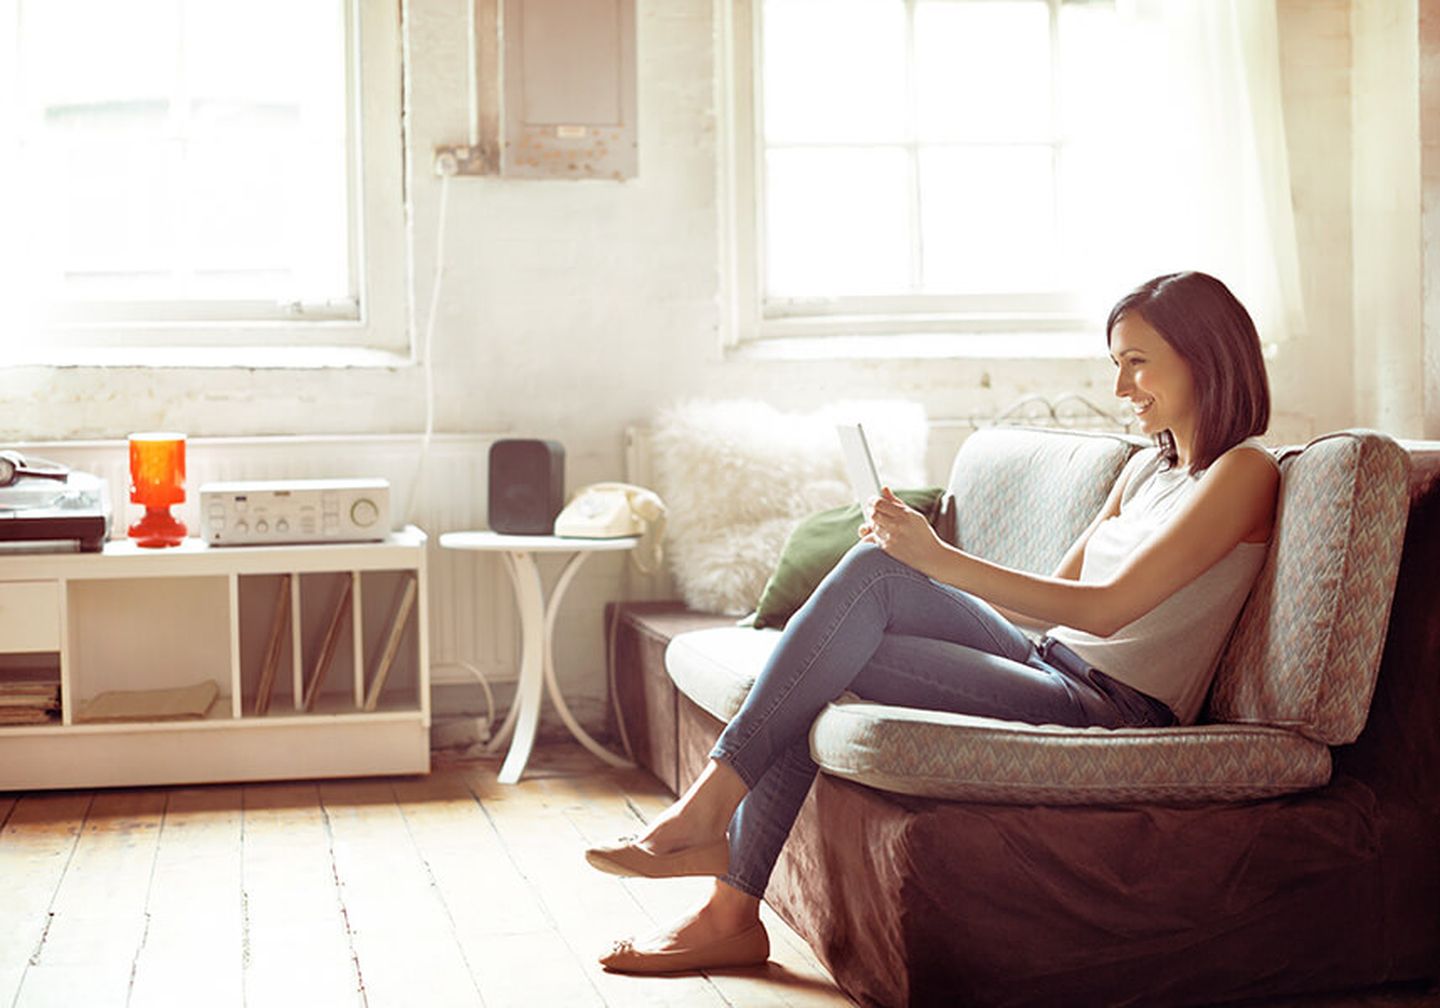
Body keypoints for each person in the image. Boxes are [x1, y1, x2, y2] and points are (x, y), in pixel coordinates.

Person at [584, 271, 1281, 975]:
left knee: (834, 649)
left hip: (1112, 706)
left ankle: (718, 870)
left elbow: (1107, 608)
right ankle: (721, 879)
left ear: (1204, 356)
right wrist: (917, 560)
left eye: (1136, 362)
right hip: (1049, 659)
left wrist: (939, 558)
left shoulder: (1245, 472)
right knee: (873, 573)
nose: (1121, 386)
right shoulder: (1145, 472)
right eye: (1115, 363)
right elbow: (1052, 598)